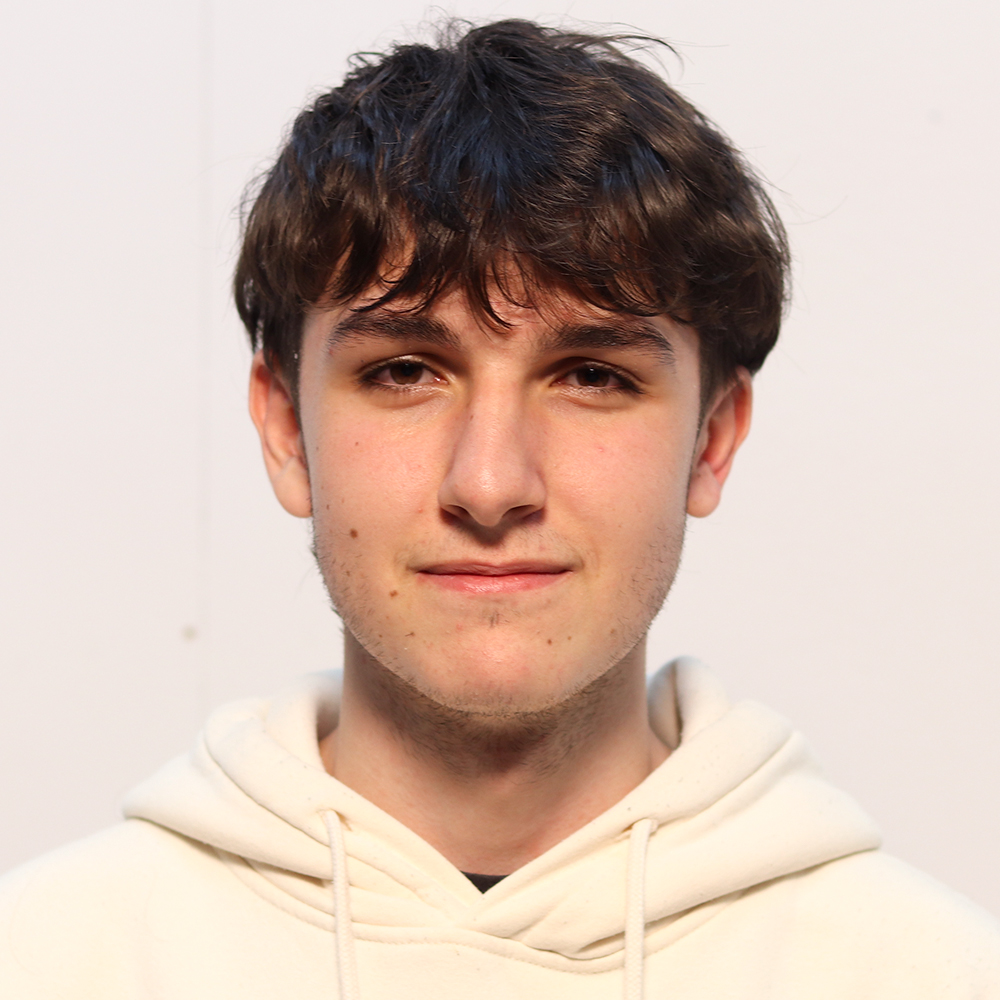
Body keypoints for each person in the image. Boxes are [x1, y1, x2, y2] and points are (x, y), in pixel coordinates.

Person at [1, 18, 997, 999]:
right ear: (286, 430)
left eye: (591, 375)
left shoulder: (936, 973)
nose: (489, 485)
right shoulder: (45, 960)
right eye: (404, 371)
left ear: (713, 438)